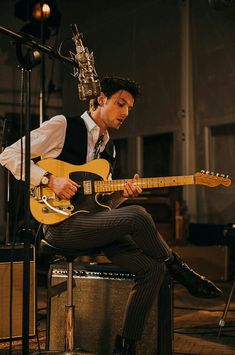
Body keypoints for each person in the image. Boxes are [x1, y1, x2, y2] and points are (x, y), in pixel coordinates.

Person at [0, 76, 222, 355]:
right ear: (101, 99)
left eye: (130, 108)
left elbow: (103, 205)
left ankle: (125, 347)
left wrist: (122, 196)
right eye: (120, 104)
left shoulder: (110, 149)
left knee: (152, 269)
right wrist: (48, 180)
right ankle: (179, 267)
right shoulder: (64, 126)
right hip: (59, 225)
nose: (125, 113)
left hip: (91, 223)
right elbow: (8, 155)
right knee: (138, 215)